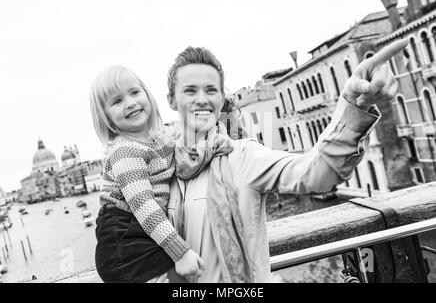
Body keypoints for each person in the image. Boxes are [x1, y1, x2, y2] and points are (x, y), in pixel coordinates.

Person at [166, 40, 408, 282]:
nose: (202, 99)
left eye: (211, 90)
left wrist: (353, 105)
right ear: (172, 100)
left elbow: (315, 173)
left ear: (220, 99)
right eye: (190, 90)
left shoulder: (243, 157)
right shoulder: (160, 166)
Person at [90, 65, 205, 283]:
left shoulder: (161, 142)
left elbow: (186, 153)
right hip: (125, 245)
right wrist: (180, 252)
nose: (131, 103)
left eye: (134, 92)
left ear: (147, 94)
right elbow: (144, 206)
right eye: (117, 101)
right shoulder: (124, 151)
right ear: (106, 117)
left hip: (145, 235)